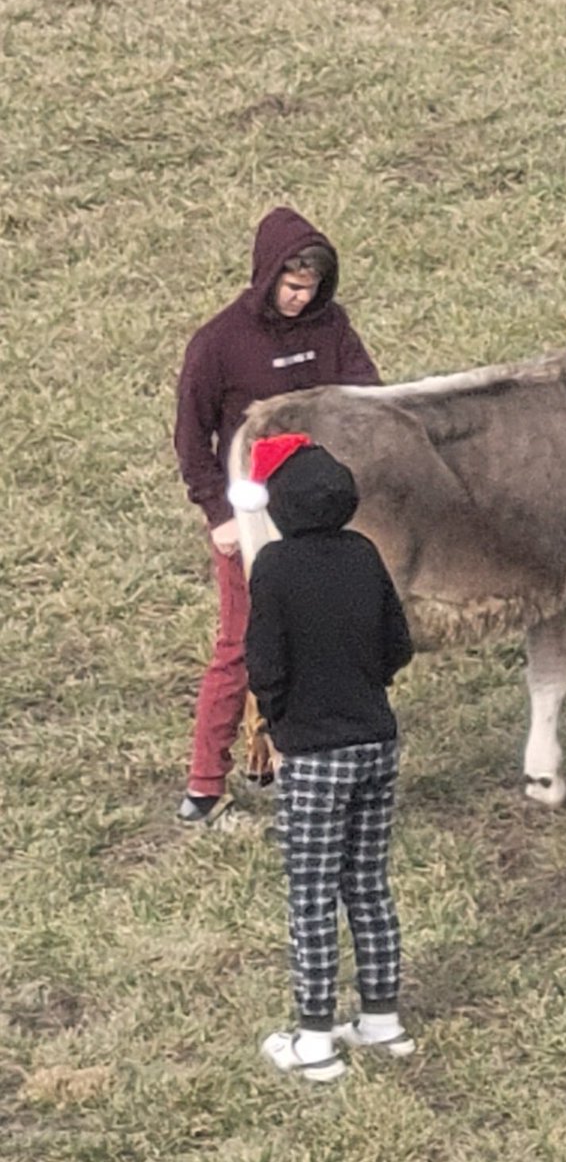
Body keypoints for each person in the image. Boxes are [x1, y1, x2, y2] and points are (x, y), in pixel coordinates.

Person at [173, 207, 379, 825]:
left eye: (311, 286)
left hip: (322, 511)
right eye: (290, 285)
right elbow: (191, 438)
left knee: (321, 639)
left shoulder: (332, 326)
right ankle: (205, 786)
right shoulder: (218, 343)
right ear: (267, 277)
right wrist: (219, 514)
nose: (300, 298)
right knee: (239, 644)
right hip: (251, 517)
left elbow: (365, 393)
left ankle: (290, 762)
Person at [229, 433, 415, 1080]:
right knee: (367, 883)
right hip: (376, 742)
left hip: (313, 752)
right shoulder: (364, 554)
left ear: (278, 503)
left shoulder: (275, 568)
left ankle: (315, 1038)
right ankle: (382, 1019)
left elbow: (264, 663)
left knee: (310, 894)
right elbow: (399, 644)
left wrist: (278, 721)